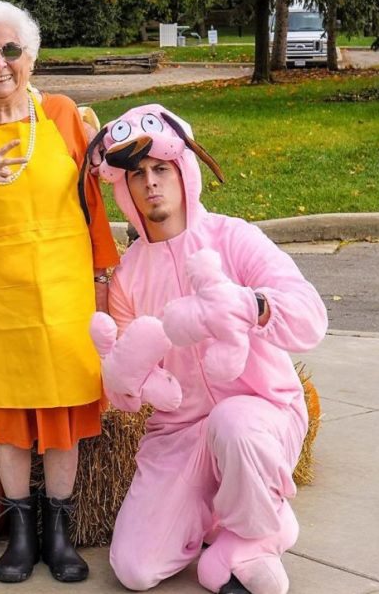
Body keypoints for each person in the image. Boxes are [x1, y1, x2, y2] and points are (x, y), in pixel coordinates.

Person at [87, 104, 328, 594]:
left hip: (263, 412)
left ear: (183, 171)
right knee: (134, 569)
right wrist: (124, 380)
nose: (151, 183)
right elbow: (132, 379)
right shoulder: (128, 277)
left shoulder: (233, 237)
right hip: (178, 435)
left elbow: (310, 316)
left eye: (161, 169)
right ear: (124, 190)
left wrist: (250, 305)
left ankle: (258, 537)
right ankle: (234, 519)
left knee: (234, 423)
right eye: (138, 175)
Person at [0, 1, 119, 583]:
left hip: (65, 298)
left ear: (31, 57)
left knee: (64, 414)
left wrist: (103, 284)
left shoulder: (65, 115)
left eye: (10, 50)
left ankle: (59, 533)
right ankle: (19, 535)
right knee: (12, 421)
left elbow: (94, 209)